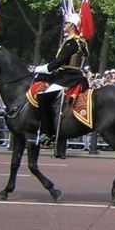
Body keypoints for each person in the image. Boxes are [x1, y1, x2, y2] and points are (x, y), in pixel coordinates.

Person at [34, 12, 89, 159]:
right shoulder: (80, 41)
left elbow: (58, 63)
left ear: (71, 25)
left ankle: (46, 134)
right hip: (74, 75)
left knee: (44, 97)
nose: (64, 25)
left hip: (67, 77)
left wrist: (39, 68)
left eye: (66, 23)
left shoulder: (72, 42)